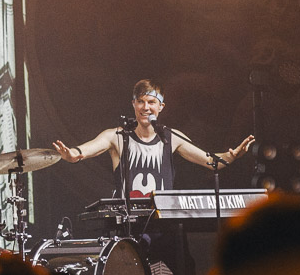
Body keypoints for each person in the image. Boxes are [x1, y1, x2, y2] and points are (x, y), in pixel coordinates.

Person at [52, 79, 254, 198]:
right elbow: (83, 152)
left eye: (151, 102)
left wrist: (232, 156)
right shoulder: (117, 136)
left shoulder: (171, 137)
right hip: (129, 228)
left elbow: (211, 162)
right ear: (133, 105)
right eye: (140, 101)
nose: (145, 107)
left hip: (163, 227)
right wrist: (71, 154)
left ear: (161, 107)